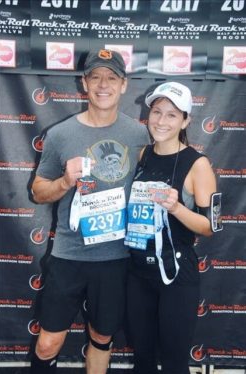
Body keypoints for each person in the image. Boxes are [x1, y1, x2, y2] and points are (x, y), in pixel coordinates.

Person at [29, 49, 150, 374]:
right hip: (69, 256)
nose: (103, 84)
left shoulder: (141, 136)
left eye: (111, 77)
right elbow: (38, 192)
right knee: (47, 343)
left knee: (101, 337)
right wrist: (66, 180)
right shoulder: (60, 135)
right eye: (95, 76)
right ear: (84, 83)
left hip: (117, 259)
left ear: (124, 85)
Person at [125, 82, 220, 374]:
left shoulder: (198, 164)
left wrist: (177, 208)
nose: (161, 121)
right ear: (148, 114)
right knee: (142, 357)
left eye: (171, 115)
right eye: (157, 112)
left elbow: (210, 226)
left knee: (174, 362)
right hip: (139, 271)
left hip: (176, 275)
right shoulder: (143, 154)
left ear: (186, 120)